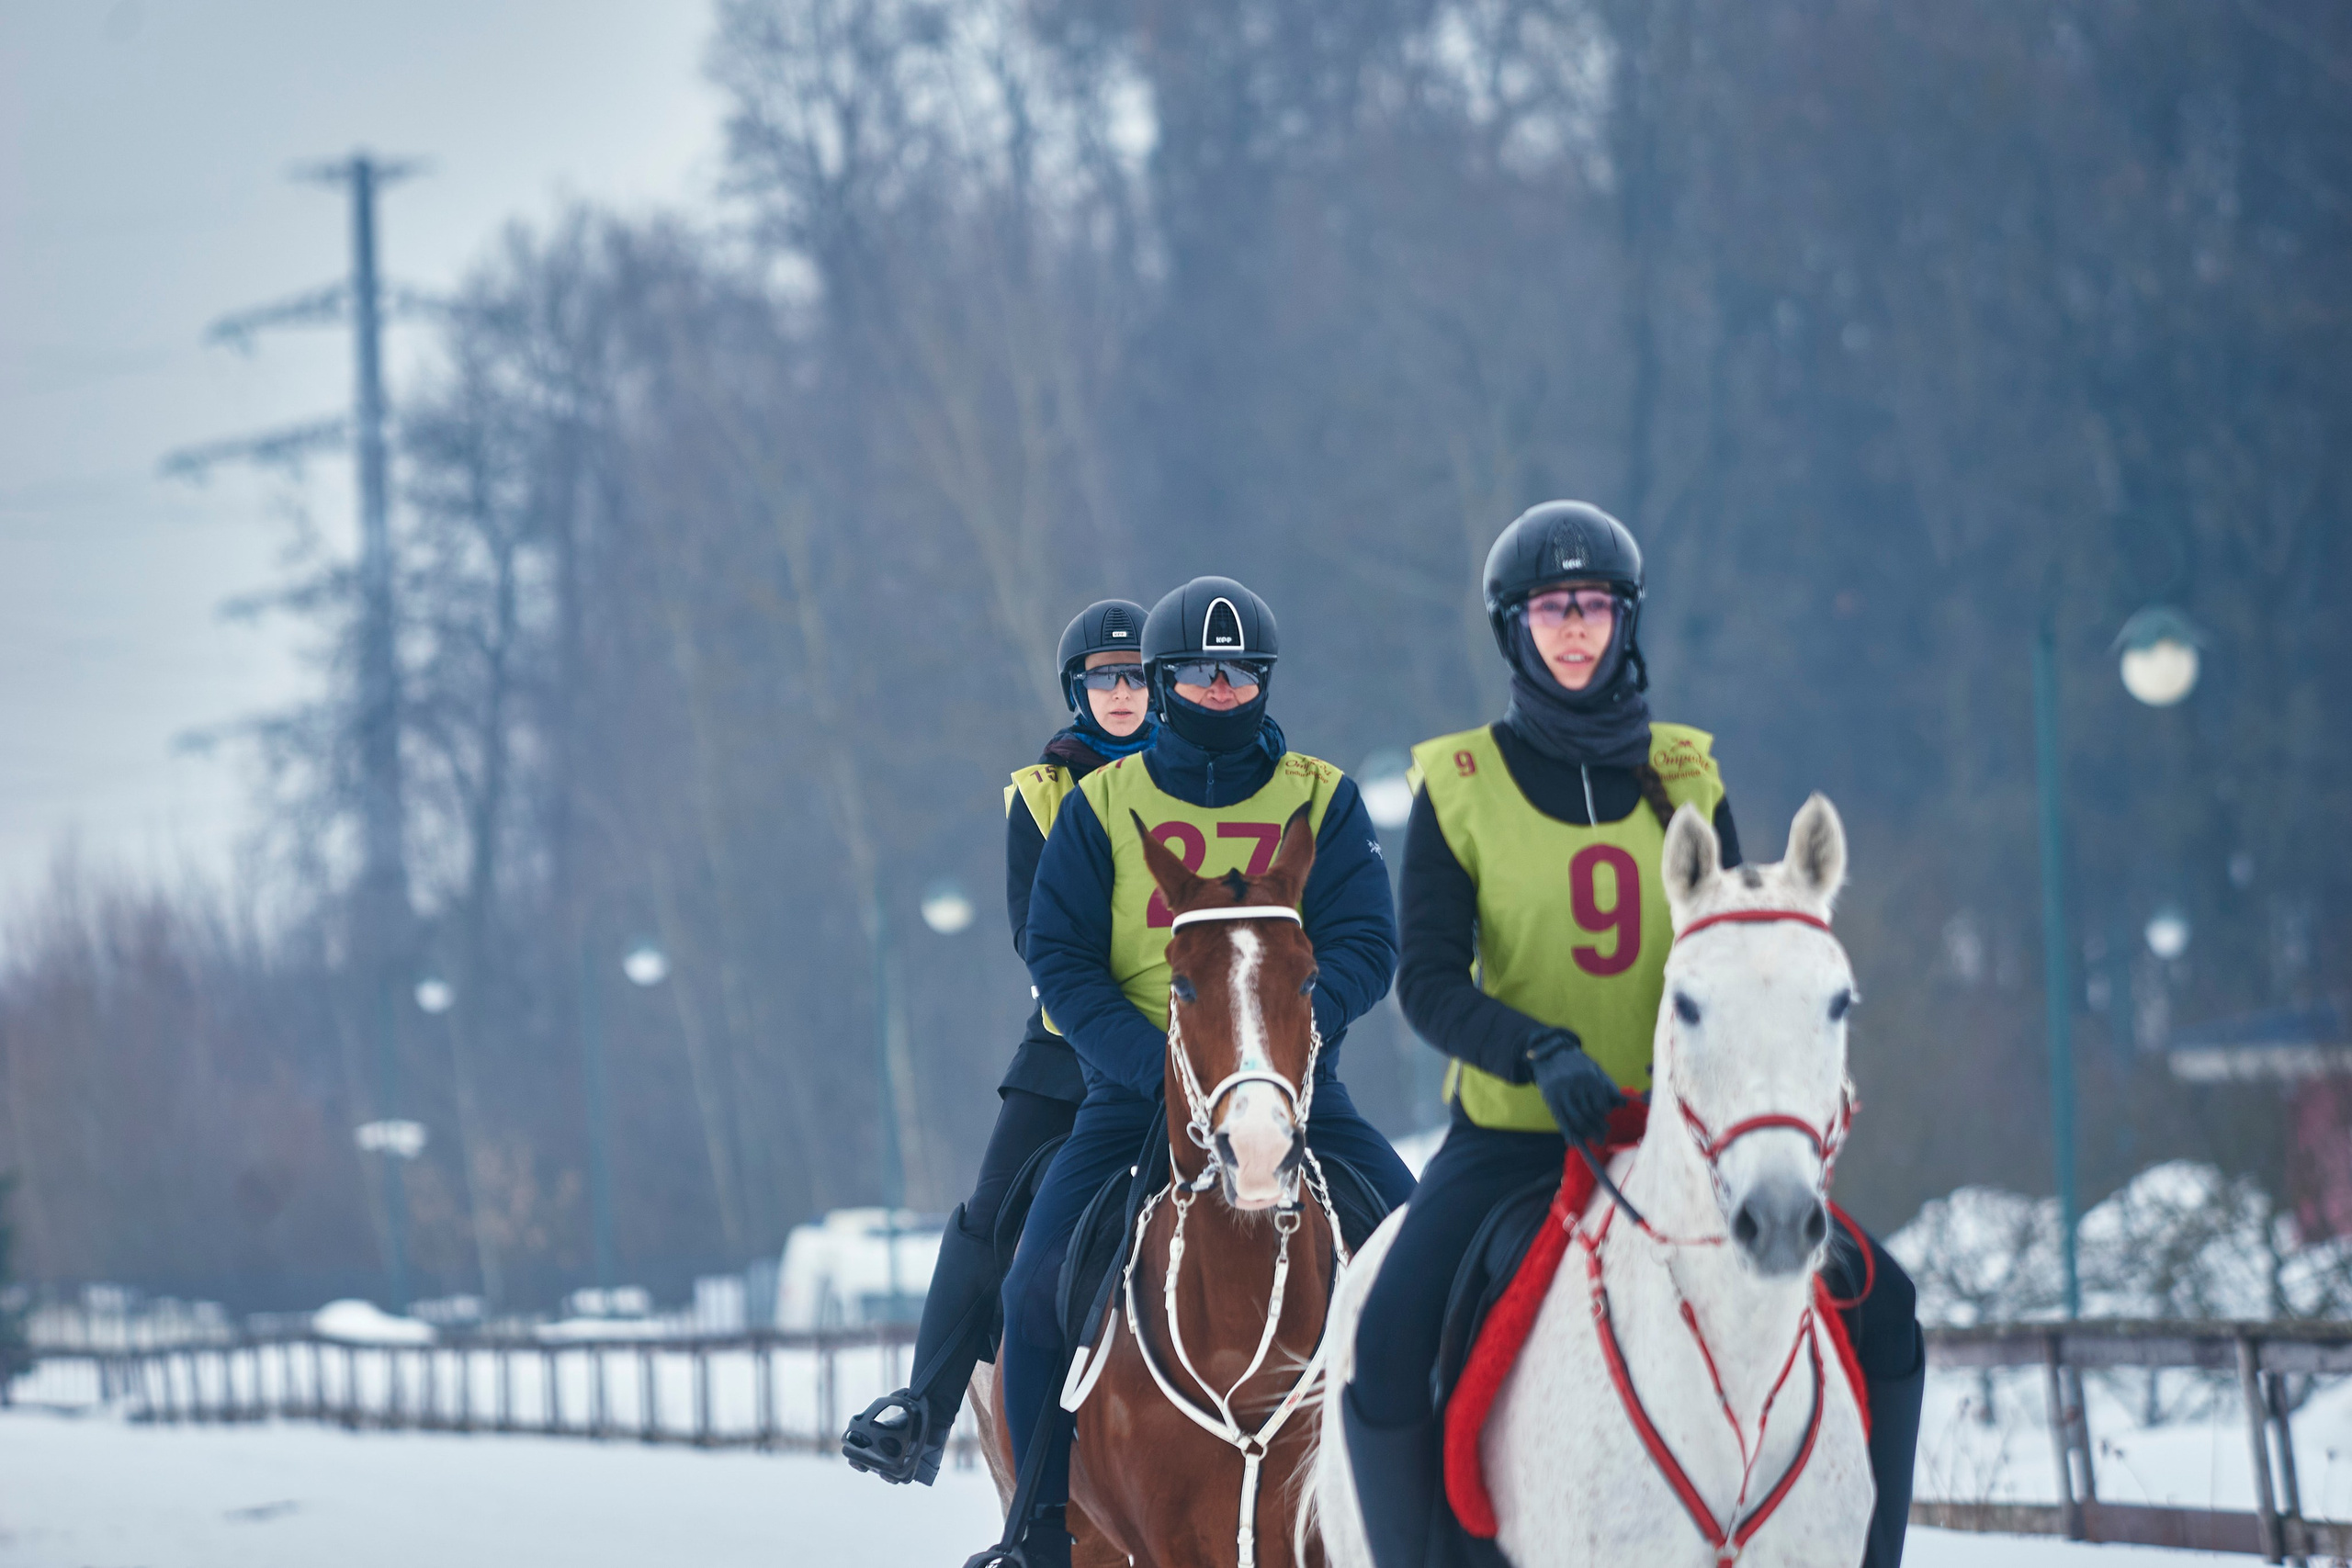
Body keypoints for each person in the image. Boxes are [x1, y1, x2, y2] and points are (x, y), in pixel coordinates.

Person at [1341, 502, 1925, 1568]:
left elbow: (1742, 963)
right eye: (1552, 609)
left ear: (1626, 621)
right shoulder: (1456, 787)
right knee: (1385, 1345)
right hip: (1515, 1137)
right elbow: (1421, 982)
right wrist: (1534, 1050)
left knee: (1890, 1312)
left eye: (1596, 607)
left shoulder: (1688, 776)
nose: (1576, 629)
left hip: (1685, 1145)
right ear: (1513, 626)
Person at [992, 575, 1420, 1568]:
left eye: (1238, 672)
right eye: (1198, 671)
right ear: (1165, 680)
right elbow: (1057, 954)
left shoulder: (1324, 795)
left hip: (1297, 1086)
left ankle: (1431, 1502)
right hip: (1134, 1089)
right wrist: (1151, 1062)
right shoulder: (1099, 804)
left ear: (1262, 682)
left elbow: (1366, 937)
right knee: (1031, 1287)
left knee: (1419, 1260)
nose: (1220, 688)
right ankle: (1037, 1529)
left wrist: (1296, 1033)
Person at [841, 599, 1158, 1488]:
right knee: (988, 1215)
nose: (1122, 693)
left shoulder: (1203, 781)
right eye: (1104, 678)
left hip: (1207, 1038)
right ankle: (925, 1411)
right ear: (1077, 690)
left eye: (1135, 676)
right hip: (1073, 1045)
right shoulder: (1041, 793)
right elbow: (1036, 933)